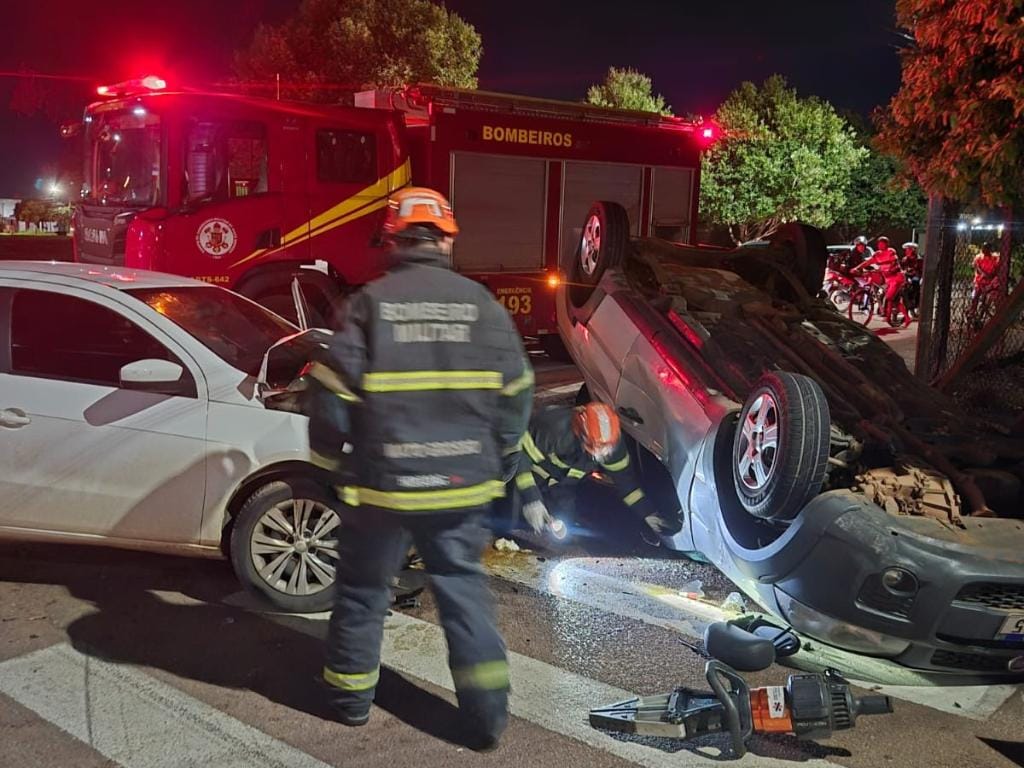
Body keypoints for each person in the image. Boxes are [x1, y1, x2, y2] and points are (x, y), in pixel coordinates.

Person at [305, 186, 533, 751]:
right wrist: (501, 462)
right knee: (462, 593)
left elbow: (329, 398)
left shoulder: (369, 305)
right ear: (447, 239)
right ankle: (485, 723)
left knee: (362, 592)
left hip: (382, 488)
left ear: (393, 239)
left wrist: (330, 468)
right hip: (461, 487)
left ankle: (350, 702)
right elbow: (518, 394)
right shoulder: (482, 306)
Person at [512, 402, 682, 546]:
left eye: (607, 449)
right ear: (580, 434)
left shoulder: (612, 448)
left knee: (564, 524)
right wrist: (531, 498)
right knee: (512, 512)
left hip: (563, 484)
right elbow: (519, 458)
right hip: (531, 473)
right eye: (598, 448)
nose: (603, 454)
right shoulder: (553, 430)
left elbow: (627, 485)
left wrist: (649, 514)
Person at [851, 236, 905, 322]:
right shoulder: (876, 254)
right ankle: (881, 309)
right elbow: (868, 262)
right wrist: (856, 268)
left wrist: (888, 270)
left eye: (882, 244)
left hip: (894, 277)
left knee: (888, 296)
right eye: (879, 244)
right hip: (884, 276)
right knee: (879, 289)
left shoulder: (891, 251)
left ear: (887, 244)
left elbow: (894, 263)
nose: (880, 246)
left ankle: (890, 312)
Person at [969, 241, 1002, 321]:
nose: (985, 250)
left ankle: (998, 314)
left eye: (987, 248)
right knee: (975, 296)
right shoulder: (978, 257)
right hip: (979, 282)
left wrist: (990, 276)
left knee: (994, 297)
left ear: (990, 249)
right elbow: (977, 268)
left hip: (990, 282)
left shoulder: (994, 258)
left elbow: (996, 270)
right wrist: (984, 274)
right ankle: (972, 312)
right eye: (984, 248)